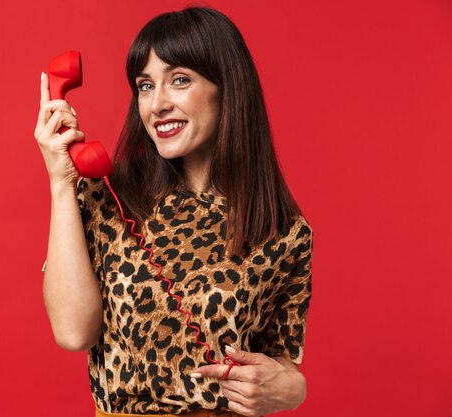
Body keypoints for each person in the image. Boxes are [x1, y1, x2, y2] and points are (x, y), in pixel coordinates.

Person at [35, 6, 313, 417]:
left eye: (179, 80)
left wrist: (295, 388)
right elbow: (74, 332)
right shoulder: (106, 198)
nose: (157, 104)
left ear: (227, 88)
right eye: (145, 86)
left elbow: (278, 371)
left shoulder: (285, 231)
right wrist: (62, 184)